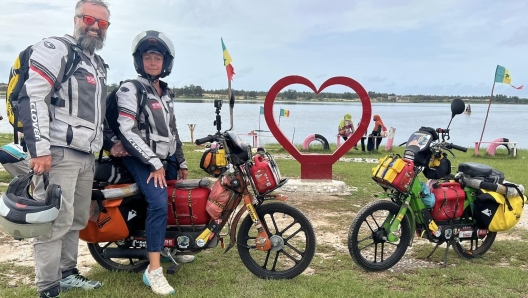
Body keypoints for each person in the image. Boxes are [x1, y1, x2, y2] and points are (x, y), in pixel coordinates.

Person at [16, 1, 110, 297]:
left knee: (75, 220)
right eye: (89, 19)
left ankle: (67, 273)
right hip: (58, 152)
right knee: (53, 221)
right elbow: (33, 98)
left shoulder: (96, 63)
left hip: (86, 156)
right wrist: (40, 150)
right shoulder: (57, 49)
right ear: (76, 19)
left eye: (102, 24)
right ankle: (48, 286)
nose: (94, 27)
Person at [104, 30, 188, 295]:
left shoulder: (165, 93)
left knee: (176, 196)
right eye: (148, 57)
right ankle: (153, 271)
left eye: (158, 58)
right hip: (139, 157)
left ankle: (169, 247)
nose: (153, 62)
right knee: (158, 201)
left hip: (166, 157)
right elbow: (126, 130)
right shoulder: (132, 88)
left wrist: (181, 160)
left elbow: (172, 130)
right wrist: (154, 163)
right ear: (139, 61)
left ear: (166, 62)